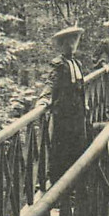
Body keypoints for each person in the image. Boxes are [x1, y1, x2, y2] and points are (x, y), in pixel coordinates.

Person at [38, 24, 88, 184]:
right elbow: (51, 82)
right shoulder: (58, 64)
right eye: (68, 42)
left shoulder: (77, 63)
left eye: (74, 41)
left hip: (78, 112)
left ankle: (75, 183)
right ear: (63, 44)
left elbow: (80, 86)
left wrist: (84, 103)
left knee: (78, 144)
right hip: (64, 112)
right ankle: (56, 183)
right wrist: (44, 98)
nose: (72, 45)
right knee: (61, 147)